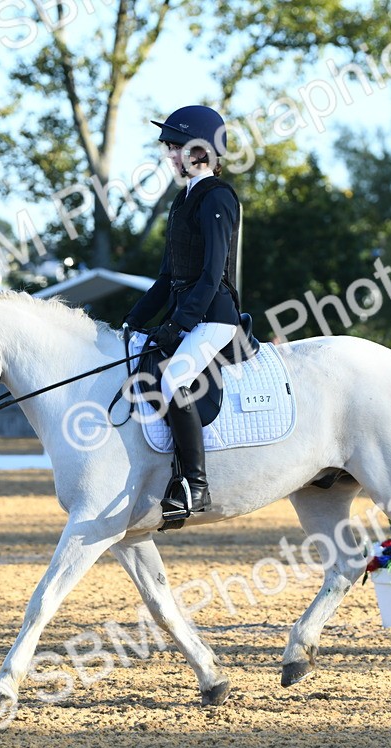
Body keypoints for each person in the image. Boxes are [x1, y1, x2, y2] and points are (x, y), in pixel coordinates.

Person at [122, 105, 242, 521]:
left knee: (175, 378)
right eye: (169, 147)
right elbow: (166, 276)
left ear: (201, 151)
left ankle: (195, 483)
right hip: (188, 312)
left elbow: (211, 274)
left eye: (175, 147)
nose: (169, 155)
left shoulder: (217, 197)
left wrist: (178, 324)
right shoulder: (182, 199)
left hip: (214, 316)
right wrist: (133, 321)